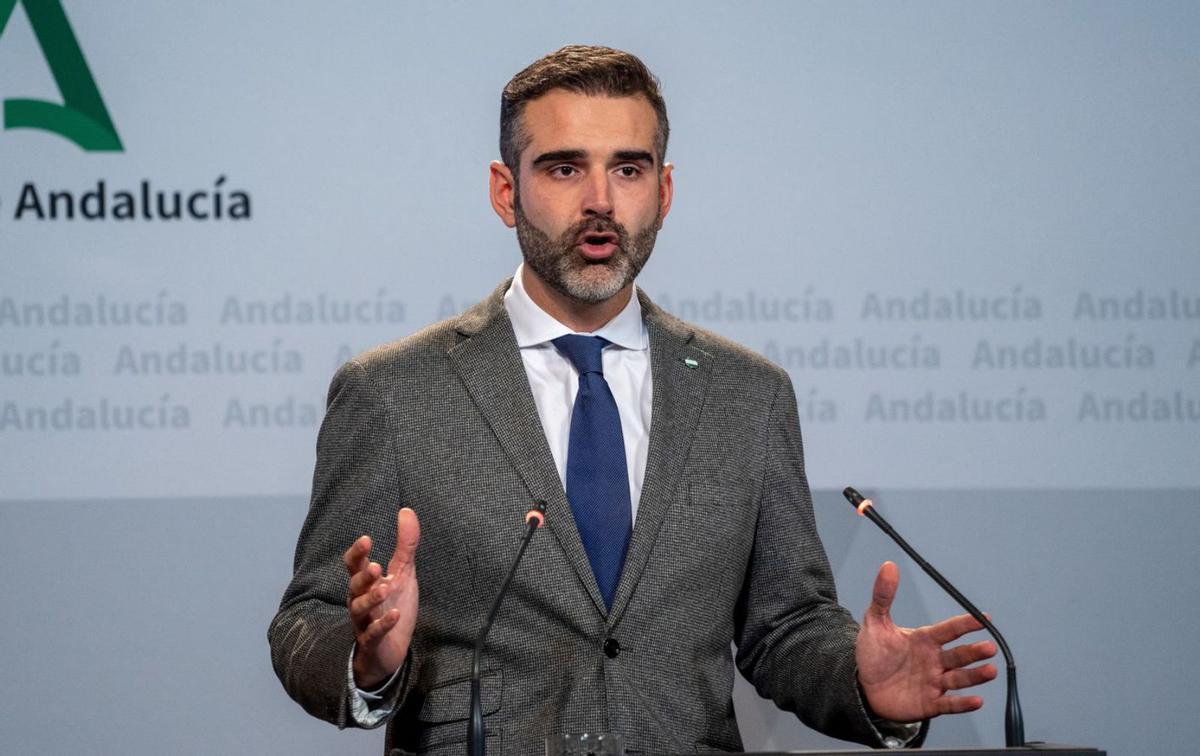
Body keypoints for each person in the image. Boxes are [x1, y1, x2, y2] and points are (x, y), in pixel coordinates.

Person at [269, 45, 996, 755]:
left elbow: (786, 627)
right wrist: (368, 661)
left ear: (664, 191)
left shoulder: (749, 395)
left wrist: (860, 682)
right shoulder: (393, 392)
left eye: (628, 168)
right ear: (505, 190)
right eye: (563, 168)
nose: (600, 202)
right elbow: (310, 619)